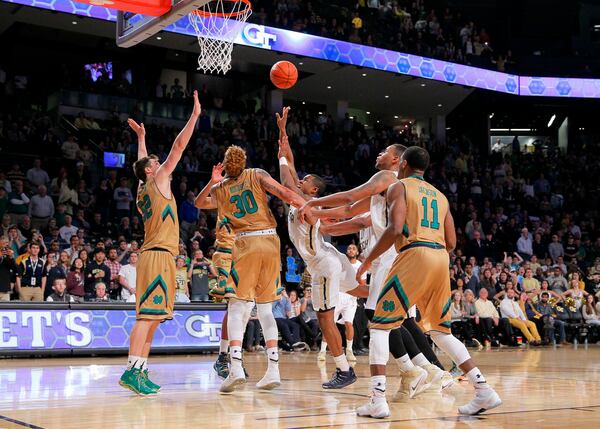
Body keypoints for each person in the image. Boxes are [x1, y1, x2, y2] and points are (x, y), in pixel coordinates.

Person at [355, 146, 501, 418]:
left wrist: (366, 261)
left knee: (379, 326)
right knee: (440, 331)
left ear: (404, 163)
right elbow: (453, 242)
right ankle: (483, 389)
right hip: (440, 258)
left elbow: (395, 228)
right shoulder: (441, 195)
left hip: (414, 253)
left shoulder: (399, 186)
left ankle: (376, 399)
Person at [303, 143, 449, 395]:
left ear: (396, 159)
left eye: (384, 152)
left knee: (376, 314)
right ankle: (427, 369)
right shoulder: (392, 188)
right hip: (396, 256)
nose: (379, 154)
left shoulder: (387, 178)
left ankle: (414, 371)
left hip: (392, 254)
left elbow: (350, 197)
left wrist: (314, 206)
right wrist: (324, 222)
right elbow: (352, 212)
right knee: (397, 318)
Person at [190, 135, 305, 393]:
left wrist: (212, 180)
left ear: (225, 165)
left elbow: (198, 203)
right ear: (243, 163)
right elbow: (284, 193)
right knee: (265, 308)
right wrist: (307, 206)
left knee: (237, 305)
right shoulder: (257, 174)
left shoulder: (221, 190)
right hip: (272, 241)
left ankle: (235, 367)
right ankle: (273, 370)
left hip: (246, 243)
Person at [119, 91, 200, 395]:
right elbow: (179, 146)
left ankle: (140, 369)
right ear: (153, 171)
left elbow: (141, 164)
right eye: (154, 161)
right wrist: (194, 116)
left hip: (160, 255)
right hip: (156, 254)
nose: (158, 160)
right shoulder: (159, 179)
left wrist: (141, 137)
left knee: (154, 319)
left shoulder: (143, 188)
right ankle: (130, 370)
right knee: (145, 317)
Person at [275, 115, 358, 388]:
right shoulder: (303, 195)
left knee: (325, 320)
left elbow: (287, 177)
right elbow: (289, 169)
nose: (302, 179)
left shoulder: (308, 203)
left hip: (322, 264)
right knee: (359, 291)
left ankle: (345, 371)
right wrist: (283, 132)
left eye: (306, 179)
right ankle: (394, 300)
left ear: (314, 189)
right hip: (328, 256)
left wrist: (284, 150)